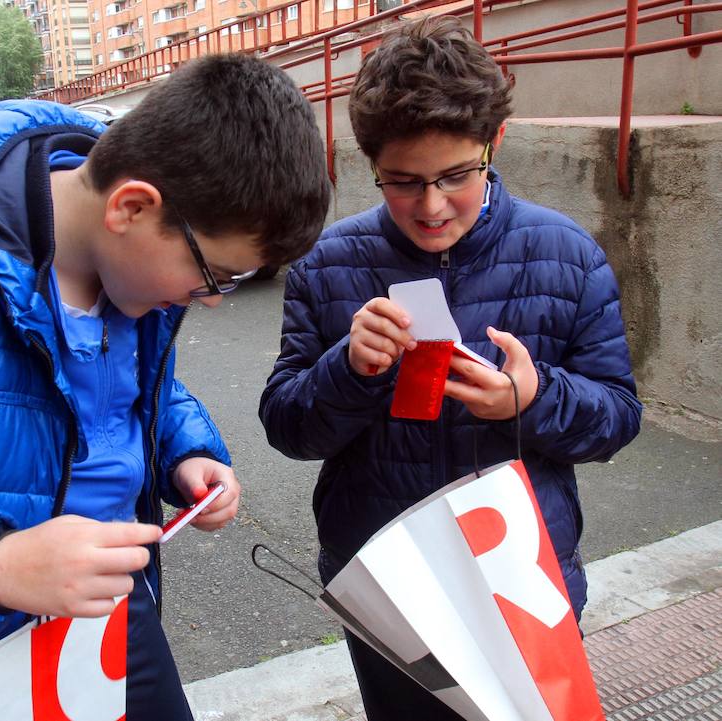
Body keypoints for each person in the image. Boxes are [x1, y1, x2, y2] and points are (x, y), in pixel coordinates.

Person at [0, 54, 329, 720]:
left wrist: (185, 451)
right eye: (215, 275)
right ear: (132, 206)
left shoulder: (138, 277)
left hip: (107, 613)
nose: (210, 301)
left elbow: (135, 395)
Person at [259, 16, 641, 721]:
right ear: (370, 161)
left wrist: (532, 398)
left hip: (520, 578)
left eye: (456, 177)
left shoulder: (567, 252)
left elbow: (617, 417)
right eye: (402, 183)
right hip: (387, 580)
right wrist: (348, 368)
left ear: (494, 143)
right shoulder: (327, 263)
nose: (431, 207)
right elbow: (288, 425)